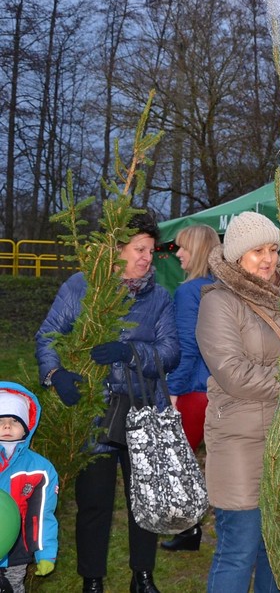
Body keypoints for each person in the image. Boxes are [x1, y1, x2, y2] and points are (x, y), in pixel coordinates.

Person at [36, 210, 178, 593]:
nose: (147, 258)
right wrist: (55, 373)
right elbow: (48, 335)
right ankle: (93, 580)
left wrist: (130, 352)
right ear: (116, 249)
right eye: (139, 249)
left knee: (144, 499)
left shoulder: (159, 297)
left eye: (151, 251)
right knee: (94, 502)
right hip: (94, 410)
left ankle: (142, 577)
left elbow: (170, 353)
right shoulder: (81, 287)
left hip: (143, 410)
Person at [196, 211, 280, 593]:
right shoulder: (219, 303)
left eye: (273, 250)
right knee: (239, 550)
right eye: (257, 252)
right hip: (239, 440)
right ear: (236, 256)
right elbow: (233, 373)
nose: (268, 259)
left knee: (276, 550)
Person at [160, 224, 220, 553]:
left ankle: (188, 530)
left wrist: (172, 391)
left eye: (183, 248)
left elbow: (187, 345)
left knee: (178, 461)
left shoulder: (189, 291)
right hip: (221, 388)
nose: (178, 254)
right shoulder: (222, 286)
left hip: (194, 391)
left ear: (197, 251)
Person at [0, 383, 58, 593]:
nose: (7, 427)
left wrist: (45, 552)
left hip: (16, 551)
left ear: (27, 426)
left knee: (13, 588)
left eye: (15, 420)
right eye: (1, 421)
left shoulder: (39, 469)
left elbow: (41, 514)